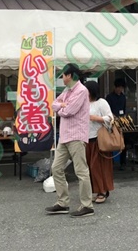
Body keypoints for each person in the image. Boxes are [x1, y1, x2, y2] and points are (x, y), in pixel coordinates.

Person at [45, 63, 94, 218]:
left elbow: (68, 111)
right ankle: (62, 203)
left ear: (70, 75)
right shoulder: (67, 91)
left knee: (81, 171)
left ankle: (87, 205)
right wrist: (61, 106)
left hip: (77, 136)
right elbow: (53, 104)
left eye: (64, 75)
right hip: (65, 136)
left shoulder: (81, 91)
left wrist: (62, 107)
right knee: (56, 168)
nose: (63, 78)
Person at [85, 81, 114, 204]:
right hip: (87, 139)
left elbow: (110, 118)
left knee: (97, 166)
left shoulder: (101, 103)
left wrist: (95, 118)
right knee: (89, 167)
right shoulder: (83, 103)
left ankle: (102, 191)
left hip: (99, 139)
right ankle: (97, 190)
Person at [106, 77, 127, 169]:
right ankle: (111, 162)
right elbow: (107, 110)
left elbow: (124, 110)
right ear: (115, 87)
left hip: (121, 121)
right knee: (112, 141)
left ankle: (123, 162)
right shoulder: (109, 97)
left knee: (123, 141)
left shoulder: (123, 97)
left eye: (121, 88)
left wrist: (124, 119)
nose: (120, 90)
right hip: (112, 122)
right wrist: (114, 117)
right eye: (118, 88)